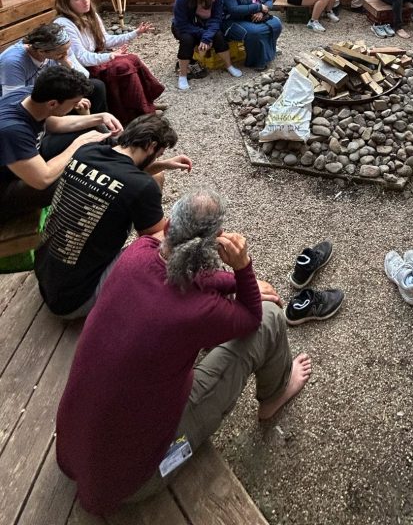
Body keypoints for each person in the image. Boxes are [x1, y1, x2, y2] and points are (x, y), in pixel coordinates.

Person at [56, 189, 311, 515]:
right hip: (133, 480)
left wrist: (233, 284)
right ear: (215, 243)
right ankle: (274, 394)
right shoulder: (197, 311)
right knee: (271, 317)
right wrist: (243, 270)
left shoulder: (136, 253)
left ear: (168, 226)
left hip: (72, 450)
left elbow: (180, 271)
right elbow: (251, 317)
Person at [34, 114, 191, 318]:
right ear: (151, 146)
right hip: (75, 301)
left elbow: (122, 176)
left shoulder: (86, 152)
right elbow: (160, 237)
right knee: (165, 245)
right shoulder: (142, 187)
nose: (157, 158)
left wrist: (162, 164)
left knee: (153, 181)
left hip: (47, 277)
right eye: (158, 154)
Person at [0, 66, 117, 223]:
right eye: (74, 102)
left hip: (28, 159)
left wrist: (100, 117)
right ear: (53, 103)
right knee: (82, 176)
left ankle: (124, 162)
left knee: (92, 134)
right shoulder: (12, 130)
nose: (76, 106)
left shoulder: (27, 96)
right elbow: (43, 179)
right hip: (8, 188)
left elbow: (54, 124)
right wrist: (78, 144)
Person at [54, 0, 164, 125]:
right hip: (81, 69)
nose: (85, 0)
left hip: (95, 59)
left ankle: (146, 103)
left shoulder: (90, 15)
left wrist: (135, 33)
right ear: (66, 3)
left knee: (132, 59)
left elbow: (105, 40)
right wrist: (110, 56)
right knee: (123, 67)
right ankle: (138, 114)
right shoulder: (64, 24)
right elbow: (81, 57)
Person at [0, 22, 108, 112]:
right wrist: (69, 101)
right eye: (61, 53)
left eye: (67, 50)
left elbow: (84, 77)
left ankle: (101, 125)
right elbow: (13, 99)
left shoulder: (59, 49)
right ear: (42, 52)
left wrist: (66, 63)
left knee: (96, 86)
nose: (66, 54)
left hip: (49, 93)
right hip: (29, 102)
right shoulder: (13, 62)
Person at [172, 0, 243, 91]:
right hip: (183, 28)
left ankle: (229, 65)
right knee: (187, 40)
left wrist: (207, 37)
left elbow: (216, 19)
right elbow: (182, 25)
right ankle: (183, 75)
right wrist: (205, 36)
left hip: (204, 26)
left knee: (218, 35)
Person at [220, 0, 282, 70]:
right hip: (232, 20)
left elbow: (269, 1)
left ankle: (268, 51)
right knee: (255, 32)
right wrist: (258, 7)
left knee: (276, 24)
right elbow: (234, 10)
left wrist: (261, 12)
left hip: (254, 16)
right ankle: (256, 61)